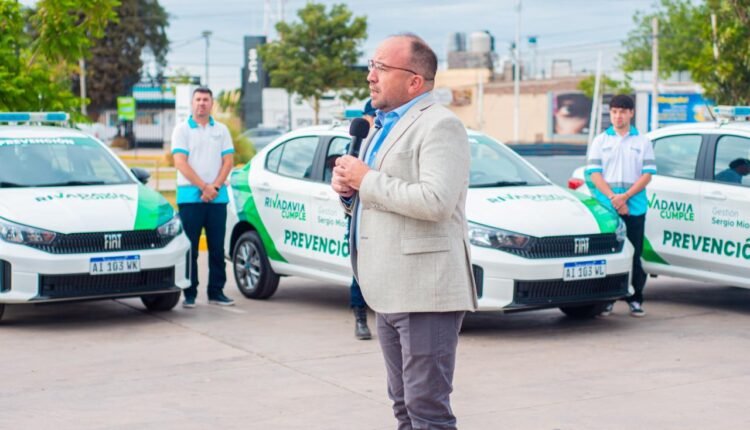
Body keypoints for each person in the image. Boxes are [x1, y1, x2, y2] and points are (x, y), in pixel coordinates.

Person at [331, 34, 477, 429]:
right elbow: (373, 200)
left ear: (414, 81)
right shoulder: (378, 127)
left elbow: (436, 201)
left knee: (427, 410)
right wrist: (348, 193)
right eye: (371, 66)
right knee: (403, 407)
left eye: (381, 67)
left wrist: (365, 179)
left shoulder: (440, 125)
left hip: (425, 291)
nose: (370, 76)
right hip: (388, 287)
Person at [586, 94, 656, 317]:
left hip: (635, 207)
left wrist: (624, 197)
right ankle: (607, 300)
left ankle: (635, 298)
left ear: (631, 113)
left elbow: (647, 175)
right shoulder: (600, 141)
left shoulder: (642, 142)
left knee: (634, 254)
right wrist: (614, 200)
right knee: (608, 255)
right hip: (608, 209)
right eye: (614, 112)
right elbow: (594, 174)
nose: (618, 116)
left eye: (623, 112)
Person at [171, 87, 235, 308]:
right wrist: (203, 187)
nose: (201, 103)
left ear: (211, 103)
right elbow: (180, 162)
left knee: (217, 248)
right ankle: (189, 293)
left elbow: (228, 161)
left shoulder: (221, 130)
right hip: (190, 198)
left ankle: (216, 292)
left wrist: (214, 187)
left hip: (217, 197)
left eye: (205, 99)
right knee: (190, 248)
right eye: (198, 99)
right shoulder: (182, 130)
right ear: (192, 103)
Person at [349, 99, 378, 341]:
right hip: (358, 214)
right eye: (373, 116)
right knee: (361, 268)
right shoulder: (357, 143)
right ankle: (360, 317)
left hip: (382, 213)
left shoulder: (384, 139)